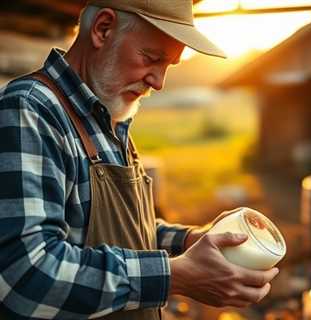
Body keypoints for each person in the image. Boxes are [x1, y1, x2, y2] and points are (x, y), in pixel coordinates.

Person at [0, 0, 279, 319]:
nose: (158, 82)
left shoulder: (107, 119)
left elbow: (121, 229)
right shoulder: (30, 111)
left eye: (168, 66)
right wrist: (174, 276)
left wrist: (190, 241)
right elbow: (27, 275)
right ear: (103, 29)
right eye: (152, 58)